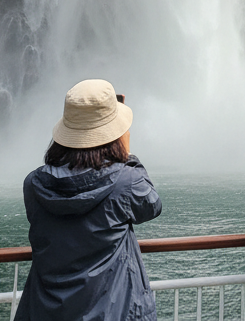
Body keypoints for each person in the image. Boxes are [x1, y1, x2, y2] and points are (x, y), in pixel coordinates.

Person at [15, 79, 162, 321]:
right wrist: (125, 154)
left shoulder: (34, 185)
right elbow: (152, 204)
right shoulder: (126, 182)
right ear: (112, 136)